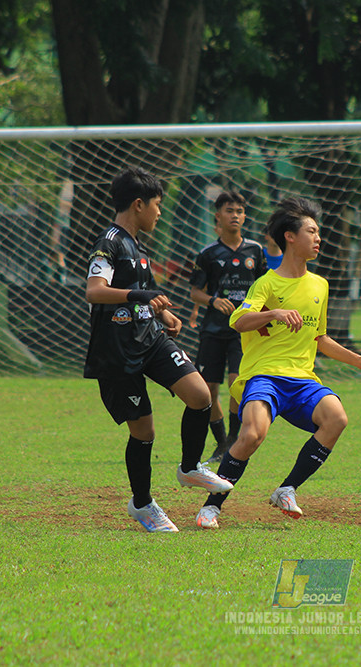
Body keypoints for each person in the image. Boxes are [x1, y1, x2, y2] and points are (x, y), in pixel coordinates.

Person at [194, 197, 361, 529]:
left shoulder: (320, 285)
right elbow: (238, 320)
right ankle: (211, 507)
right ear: (290, 237)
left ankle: (286, 489)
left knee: (337, 418)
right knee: (252, 434)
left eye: (318, 232)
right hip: (264, 377)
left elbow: (319, 338)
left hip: (302, 380)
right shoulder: (266, 283)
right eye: (311, 231)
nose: (318, 238)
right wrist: (274, 312)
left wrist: (359, 360)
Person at [83, 167, 233, 534]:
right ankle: (142, 504)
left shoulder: (140, 249)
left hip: (150, 339)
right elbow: (95, 290)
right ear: (138, 205)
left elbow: (146, 296)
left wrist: (165, 313)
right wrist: (141, 296)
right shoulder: (110, 242)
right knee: (144, 432)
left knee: (200, 395)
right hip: (116, 351)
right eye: (157, 205)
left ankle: (190, 466)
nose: (160, 213)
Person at [188, 191, 267, 464]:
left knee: (237, 383)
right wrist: (213, 300)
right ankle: (221, 441)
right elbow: (195, 292)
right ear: (218, 217)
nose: (235, 215)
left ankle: (233, 438)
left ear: (245, 216)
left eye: (240, 211)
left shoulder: (255, 251)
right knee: (208, 388)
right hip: (212, 329)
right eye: (229, 210)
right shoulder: (208, 253)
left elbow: (266, 287)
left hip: (243, 330)